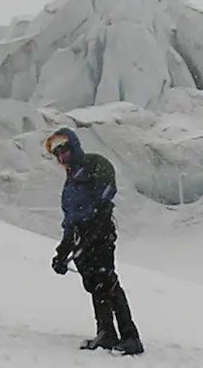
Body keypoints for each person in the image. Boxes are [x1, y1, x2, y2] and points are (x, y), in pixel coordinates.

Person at [45, 128, 144, 355]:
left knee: (107, 281)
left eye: (64, 150)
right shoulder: (69, 184)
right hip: (83, 239)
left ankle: (131, 337)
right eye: (57, 154)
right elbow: (70, 221)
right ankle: (106, 333)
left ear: (75, 146)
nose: (61, 157)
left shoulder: (96, 164)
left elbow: (106, 195)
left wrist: (95, 229)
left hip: (100, 234)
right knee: (94, 284)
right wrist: (62, 252)